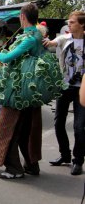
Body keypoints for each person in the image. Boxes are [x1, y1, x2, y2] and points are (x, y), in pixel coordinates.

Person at [0, 3, 63, 179]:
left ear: (22, 17)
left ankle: (14, 169)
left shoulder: (29, 38)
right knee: (27, 130)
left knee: (8, 128)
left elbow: (7, 57)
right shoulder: (36, 34)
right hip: (29, 93)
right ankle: (31, 165)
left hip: (18, 92)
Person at [43, 10, 85, 176]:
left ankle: (78, 161)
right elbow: (51, 43)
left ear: (82, 24)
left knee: (79, 127)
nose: (69, 24)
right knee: (59, 122)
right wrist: (42, 39)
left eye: (73, 22)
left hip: (82, 89)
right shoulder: (65, 39)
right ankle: (65, 155)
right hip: (65, 86)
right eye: (69, 21)